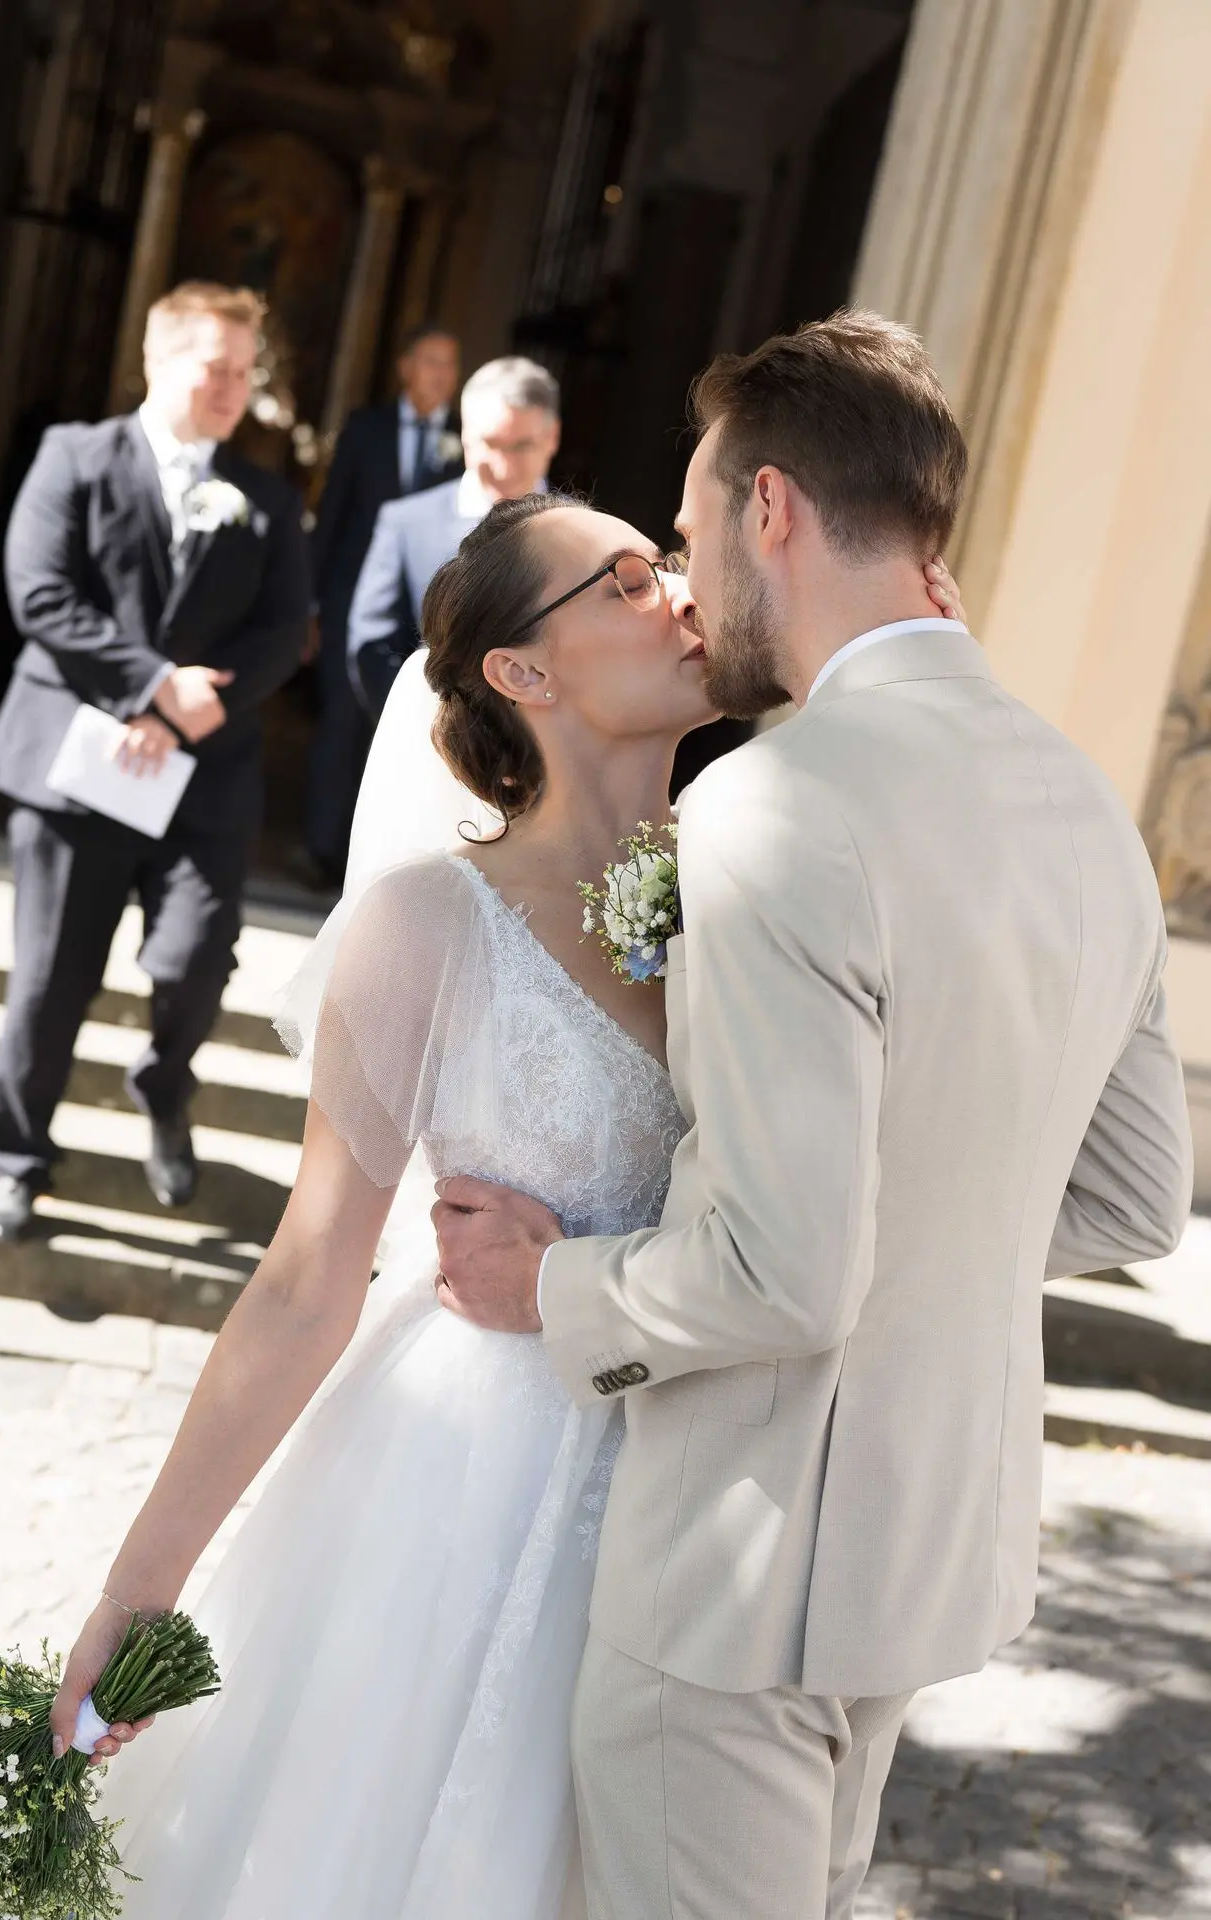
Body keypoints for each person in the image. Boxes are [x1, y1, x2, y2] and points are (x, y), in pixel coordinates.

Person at [48, 482, 962, 1919]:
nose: (679, 591)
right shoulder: (425, 922)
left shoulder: (769, 903)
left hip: (705, 1517)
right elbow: (304, 1284)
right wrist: (135, 1592)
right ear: (521, 673)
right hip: (454, 1501)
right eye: (624, 582)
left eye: (667, 564)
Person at [431, 313, 1194, 1918]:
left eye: (693, 529)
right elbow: (1135, 1197)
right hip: (922, 1565)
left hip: (739, 1579)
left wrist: (550, 1286)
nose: (687, 581)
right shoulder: (1084, 806)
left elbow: (782, 1272)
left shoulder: (777, 803)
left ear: (771, 508)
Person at [0, 280, 309, 1240]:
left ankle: (164, 1086)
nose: (234, 388)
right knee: (51, 978)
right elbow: (41, 593)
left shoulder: (266, 497)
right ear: (158, 360)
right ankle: (17, 1159)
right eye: (216, 368)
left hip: (205, 772)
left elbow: (284, 630)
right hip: (78, 766)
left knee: (198, 957)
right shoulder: (74, 457)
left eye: (245, 372)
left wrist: (199, 708)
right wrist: (153, 686)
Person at [303, 324, 463, 886]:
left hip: (432, 615)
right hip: (354, 602)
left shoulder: (467, 442)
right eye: (430, 361)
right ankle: (324, 853)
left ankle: (383, 866)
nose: (440, 375)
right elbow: (333, 516)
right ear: (405, 367)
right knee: (341, 724)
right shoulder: (365, 429)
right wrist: (312, 604)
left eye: (449, 364)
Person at [346, 355, 560, 721]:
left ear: (552, 437)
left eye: (522, 446)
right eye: (490, 443)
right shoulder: (407, 523)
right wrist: (430, 730)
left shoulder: (584, 531)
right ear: (464, 434)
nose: (504, 465)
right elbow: (372, 649)